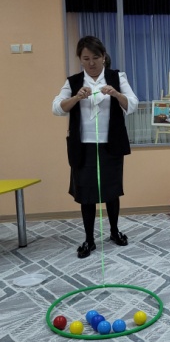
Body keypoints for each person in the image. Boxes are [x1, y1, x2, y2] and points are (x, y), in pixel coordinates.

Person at [52, 36, 139, 258]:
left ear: (104, 57)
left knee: (111, 191)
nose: (91, 63)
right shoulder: (73, 82)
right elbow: (57, 108)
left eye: (96, 57)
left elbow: (133, 104)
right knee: (86, 193)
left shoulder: (117, 77)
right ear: (80, 59)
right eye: (86, 58)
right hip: (83, 147)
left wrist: (116, 94)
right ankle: (89, 239)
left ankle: (114, 232)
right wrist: (76, 98)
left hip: (111, 145)